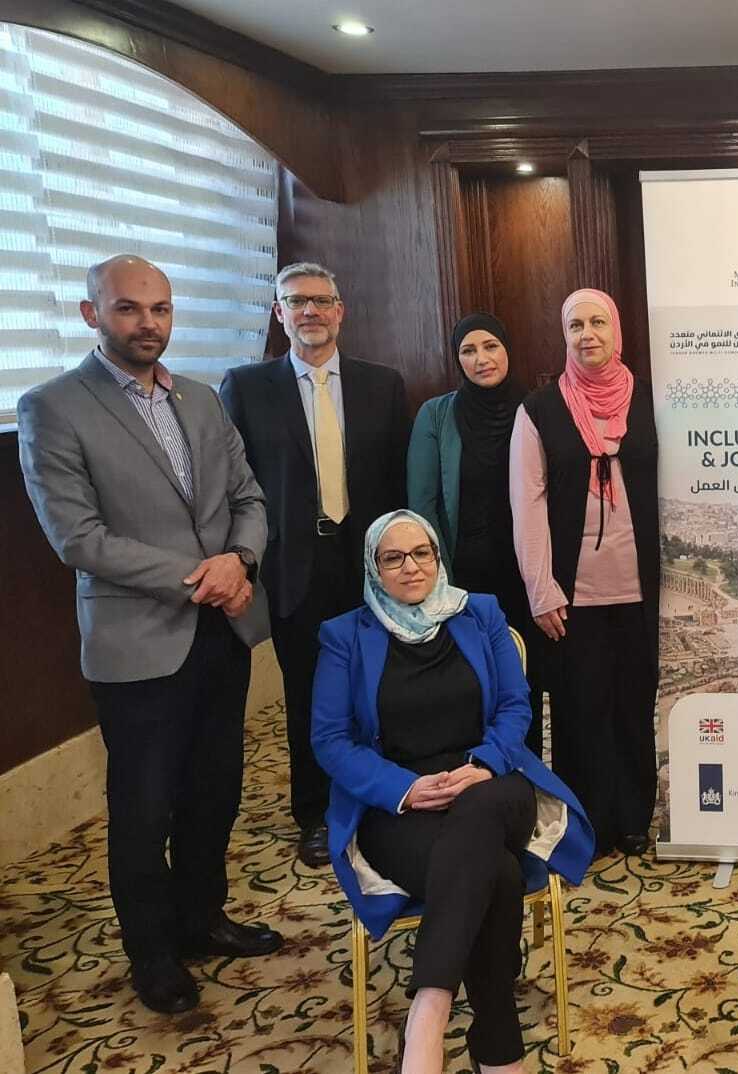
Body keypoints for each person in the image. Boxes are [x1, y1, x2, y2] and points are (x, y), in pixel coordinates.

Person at [17, 255, 281, 1014]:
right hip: (137, 644)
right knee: (144, 808)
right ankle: (153, 955)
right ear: (90, 314)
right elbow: (78, 538)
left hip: (221, 632)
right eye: (128, 308)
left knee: (215, 792)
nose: (148, 323)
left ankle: (203, 919)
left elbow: (248, 497)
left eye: (160, 308)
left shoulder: (200, 397)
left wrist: (241, 560)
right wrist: (203, 575)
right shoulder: (52, 407)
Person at [311, 510, 595, 1074]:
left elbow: (514, 706)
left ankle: (430, 1005)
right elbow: (331, 739)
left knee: (482, 814)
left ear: (438, 557)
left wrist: (483, 764)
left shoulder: (480, 613)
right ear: (373, 568)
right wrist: (405, 788)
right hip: (399, 805)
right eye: (393, 557)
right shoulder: (344, 636)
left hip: (492, 785)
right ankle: (498, 1049)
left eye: (422, 553)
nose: (410, 567)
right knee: (497, 874)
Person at [221, 262, 412, 868]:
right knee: (309, 694)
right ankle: (317, 811)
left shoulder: (383, 385)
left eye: (322, 301)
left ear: (340, 311)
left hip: (371, 563)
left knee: (382, 686)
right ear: (279, 313)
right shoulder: (246, 387)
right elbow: (235, 485)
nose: (311, 311)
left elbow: (400, 480)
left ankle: (384, 797)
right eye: (296, 301)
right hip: (294, 567)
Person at [510, 288, 659, 859]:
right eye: (576, 325)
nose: (587, 334)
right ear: (564, 335)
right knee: (579, 708)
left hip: (641, 588)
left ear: (616, 331)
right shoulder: (539, 409)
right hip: (572, 593)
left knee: (634, 703)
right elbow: (527, 504)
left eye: (598, 322)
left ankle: (633, 816)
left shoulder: (648, 398)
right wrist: (540, 588)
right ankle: (588, 820)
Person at [408, 313, 541, 755]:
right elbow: (423, 505)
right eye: (468, 350)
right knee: (473, 684)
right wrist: (437, 583)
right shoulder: (436, 415)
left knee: (526, 682)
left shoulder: (537, 408)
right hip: (463, 580)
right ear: (457, 359)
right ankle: (478, 779)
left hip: (527, 576)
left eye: (491, 347)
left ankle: (526, 774)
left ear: (507, 350)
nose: (482, 359)